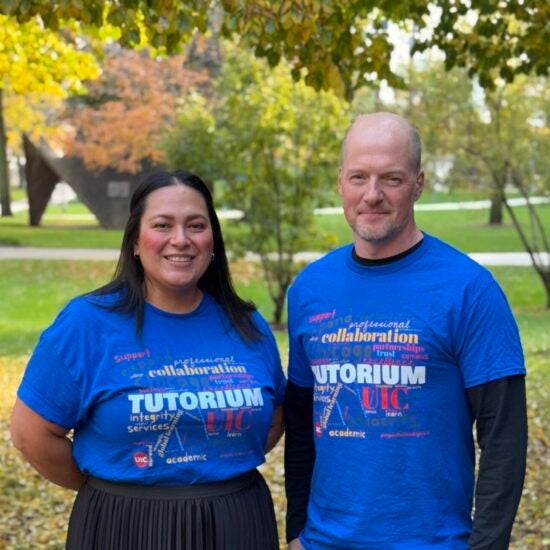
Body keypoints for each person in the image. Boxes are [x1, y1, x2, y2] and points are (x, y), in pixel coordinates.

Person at [284, 112, 527, 550]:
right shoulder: (309, 289)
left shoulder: (469, 290)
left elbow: (504, 439)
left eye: (391, 179)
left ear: (418, 182)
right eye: (359, 177)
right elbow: (301, 423)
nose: (372, 195)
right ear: (341, 181)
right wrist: (297, 531)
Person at [11, 169, 285, 549]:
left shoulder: (246, 324)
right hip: (122, 525)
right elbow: (31, 435)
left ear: (213, 240)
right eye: (162, 224)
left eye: (196, 225)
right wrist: (116, 484)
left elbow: (272, 421)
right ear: (136, 241)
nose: (181, 240)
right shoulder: (87, 324)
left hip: (236, 523)